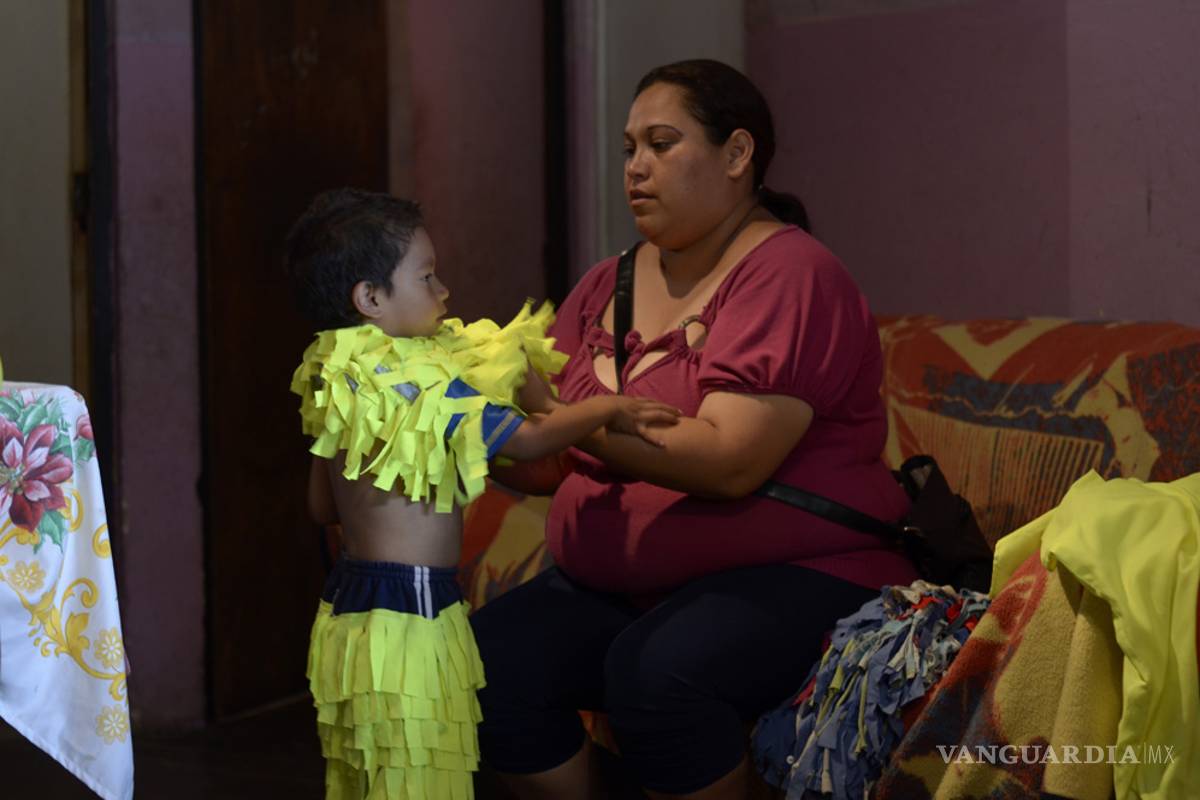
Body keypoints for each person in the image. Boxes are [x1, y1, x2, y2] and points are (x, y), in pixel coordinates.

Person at [471, 59, 919, 799]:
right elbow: (552, 465)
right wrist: (472, 432)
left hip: (802, 575)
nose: (636, 169)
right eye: (628, 149)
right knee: (489, 658)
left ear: (738, 155)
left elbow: (728, 463)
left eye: (661, 144)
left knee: (658, 672)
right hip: (630, 581)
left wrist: (556, 413)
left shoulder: (790, 273)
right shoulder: (604, 283)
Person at [284, 188, 681, 800]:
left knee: (379, 774)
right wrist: (608, 407)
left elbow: (319, 507)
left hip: (349, 610)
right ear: (370, 299)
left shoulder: (334, 373)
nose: (444, 292)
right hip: (411, 614)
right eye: (427, 276)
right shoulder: (420, 380)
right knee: (424, 772)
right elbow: (526, 441)